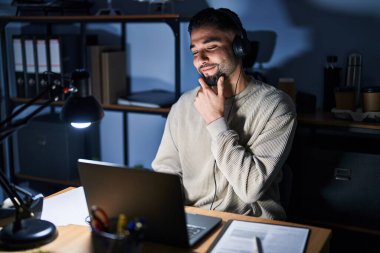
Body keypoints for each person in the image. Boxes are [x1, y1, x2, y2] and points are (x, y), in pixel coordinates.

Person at [152, 7, 297, 220]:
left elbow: (250, 189)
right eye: (194, 51)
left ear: (239, 47)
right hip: (193, 220)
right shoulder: (184, 104)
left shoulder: (276, 106)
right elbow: (166, 173)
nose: (201, 59)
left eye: (211, 47)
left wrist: (215, 121)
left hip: (250, 223)